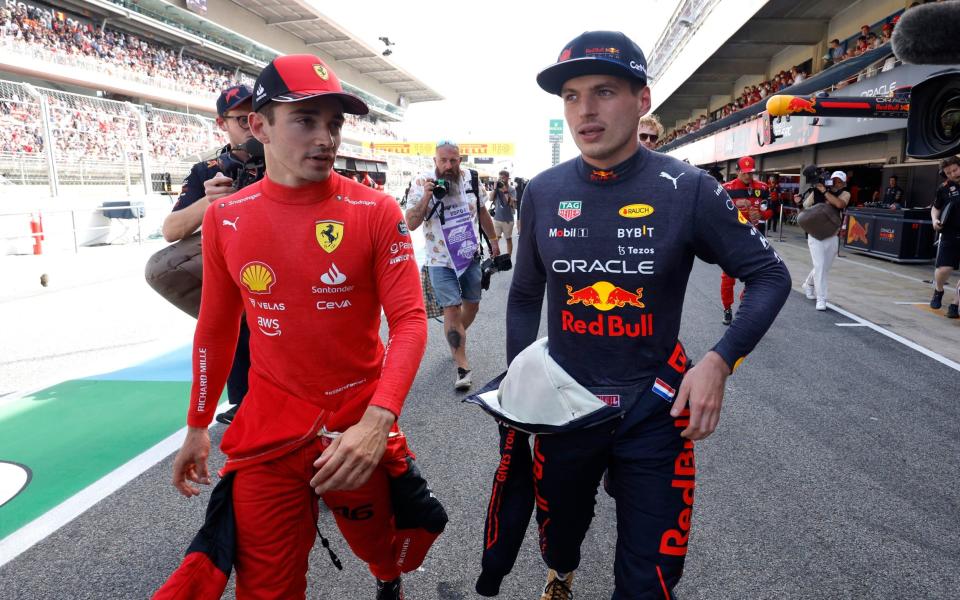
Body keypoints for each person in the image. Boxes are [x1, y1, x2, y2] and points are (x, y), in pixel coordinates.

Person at [475, 31, 790, 600]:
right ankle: (562, 569)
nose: (585, 110)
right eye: (571, 96)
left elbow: (770, 274)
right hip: (565, 406)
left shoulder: (689, 188)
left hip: (656, 406)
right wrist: (521, 373)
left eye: (603, 91)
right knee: (560, 536)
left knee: (650, 583)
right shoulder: (544, 191)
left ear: (642, 99)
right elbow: (524, 294)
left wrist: (720, 362)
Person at [154, 55, 444, 600]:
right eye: (305, 120)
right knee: (266, 588)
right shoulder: (224, 217)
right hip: (270, 433)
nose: (326, 137)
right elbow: (217, 328)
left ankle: (387, 577)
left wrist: (378, 422)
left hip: (355, 427)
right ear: (259, 125)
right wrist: (196, 425)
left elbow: (408, 322)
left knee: (377, 548)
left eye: (333, 122)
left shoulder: (376, 210)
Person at [161, 83, 256, 425]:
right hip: (235, 272)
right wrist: (209, 201)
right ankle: (245, 399)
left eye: (258, 116)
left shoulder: (284, 159)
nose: (252, 125)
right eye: (243, 119)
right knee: (161, 267)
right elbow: (171, 230)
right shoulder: (207, 171)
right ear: (222, 124)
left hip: (285, 266)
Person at [404, 140, 500, 391]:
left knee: (473, 305)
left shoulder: (472, 178)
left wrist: (493, 242)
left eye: (453, 160)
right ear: (435, 160)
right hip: (440, 260)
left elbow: (482, 213)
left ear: (460, 159)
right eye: (443, 160)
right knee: (452, 310)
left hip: (469, 255)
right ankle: (462, 365)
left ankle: (456, 334)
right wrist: (427, 195)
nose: (449, 165)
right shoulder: (420, 182)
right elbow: (411, 223)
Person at [720, 156, 771, 325]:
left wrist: (762, 215)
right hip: (732, 240)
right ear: (737, 171)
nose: (748, 176)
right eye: (744, 173)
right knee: (728, 277)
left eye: (751, 173)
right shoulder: (726, 188)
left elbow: (770, 211)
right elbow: (716, 212)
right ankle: (727, 308)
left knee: (754, 276)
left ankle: (744, 304)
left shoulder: (763, 188)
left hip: (755, 239)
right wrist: (734, 206)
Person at [801, 171, 850, 311]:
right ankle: (821, 299)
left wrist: (825, 192)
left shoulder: (845, 193)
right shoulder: (817, 191)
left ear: (844, 182)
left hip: (832, 233)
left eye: (839, 181)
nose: (836, 183)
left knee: (823, 267)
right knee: (820, 266)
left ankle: (808, 284)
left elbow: (840, 204)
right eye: (833, 180)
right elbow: (806, 205)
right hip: (815, 233)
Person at [931, 155, 960, 318]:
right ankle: (938, 290)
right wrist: (935, 220)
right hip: (949, 233)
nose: (953, 174)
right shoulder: (944, 188)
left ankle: (955, 304)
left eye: (955, 170)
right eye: (948, 172)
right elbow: (935, 208)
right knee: (944, 269)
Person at [489, 169, 518, 256]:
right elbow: (490, 198)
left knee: (508, 239)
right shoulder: (497, 189)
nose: (501, 179)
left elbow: (510, 203)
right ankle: (495, 257)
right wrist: (495, 188)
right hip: (497, 219)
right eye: (500, 177)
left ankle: (508, 258)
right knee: (495, 239)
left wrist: (505, 190)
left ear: (507, 178)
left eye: (503, 178)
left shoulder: (511, 189)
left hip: (508, 220)